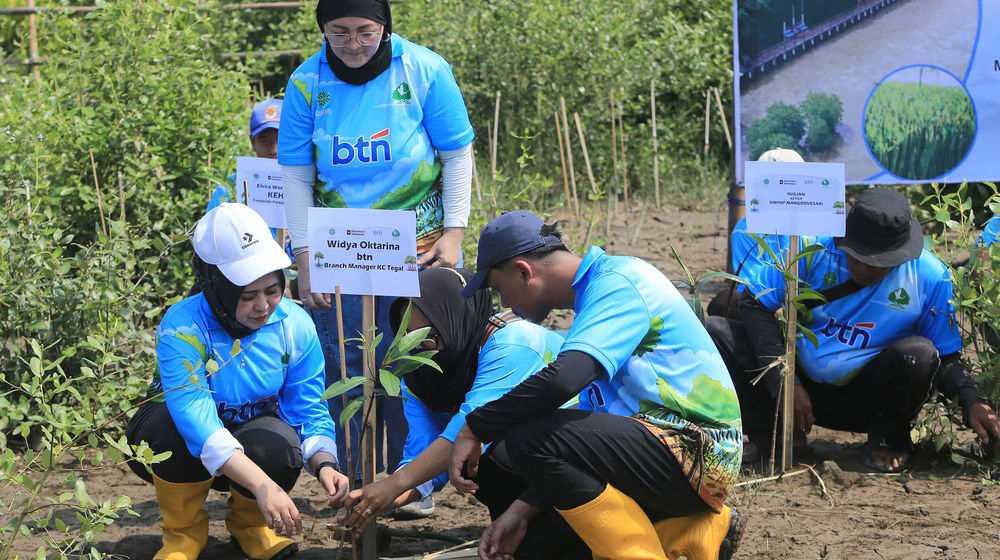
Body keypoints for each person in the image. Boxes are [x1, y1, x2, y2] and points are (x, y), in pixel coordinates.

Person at [447, 211, 743, 560]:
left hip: (697, 451)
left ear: (524, 272)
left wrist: (476, 426)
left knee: (525, 436)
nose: (505, 304)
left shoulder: (621, 281)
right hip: (660, 454)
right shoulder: (593, 298)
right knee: (531, 550)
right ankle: (695, 529)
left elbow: (564, 379)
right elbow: (587, 423)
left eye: (499, 289)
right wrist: (521, 509)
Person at [277, 0, 475, 484]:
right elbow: (297, 178)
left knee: (412, 362)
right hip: (339, 249)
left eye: (365, 31)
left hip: (421, 247)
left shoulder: (424, 70)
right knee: (346, 363)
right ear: (322, 30)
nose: (353, 45)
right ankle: (354, 480)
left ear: (385, 26)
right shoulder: (307, 82)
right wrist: (304, 260)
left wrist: (453, 234)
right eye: (338, 33)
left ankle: (411, 482)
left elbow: (457, 154)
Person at [706, 188, 1000, 473]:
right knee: (717, 329)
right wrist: (786, 383)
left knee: (919, 354)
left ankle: (887, 437)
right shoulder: (811, 248)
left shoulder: (930, 276)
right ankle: (771, 433)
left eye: (878, 264)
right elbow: (755, 303)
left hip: (866, 400)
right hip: (796, 388)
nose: (865, 269)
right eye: (857, 258)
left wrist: (973, 401)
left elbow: (947, 356)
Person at [125, 203, 349, 560]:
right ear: (217, 288)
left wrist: (325, 464)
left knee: (280, 445)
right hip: (171, 442)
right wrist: (264, 486)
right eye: (248, 296)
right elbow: (195, 421)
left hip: (247, 433)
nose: (264, 306)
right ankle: (182, 536)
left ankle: (251, 527)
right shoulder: (183, 326)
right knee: (172, 430)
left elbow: (307, 407)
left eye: (273, 291)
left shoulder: (294, 325)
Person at [332, 267, 583, 555]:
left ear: (455, 317)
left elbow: (470, 428)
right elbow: (423, 455)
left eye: (428, 336)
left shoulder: (513, 343)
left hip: (576, 457)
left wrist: (391, 485)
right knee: (482, 461)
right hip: (529, 468)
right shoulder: (418, 374)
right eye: (408, 336)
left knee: (495, 453)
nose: (418, 348)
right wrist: (373, 504)